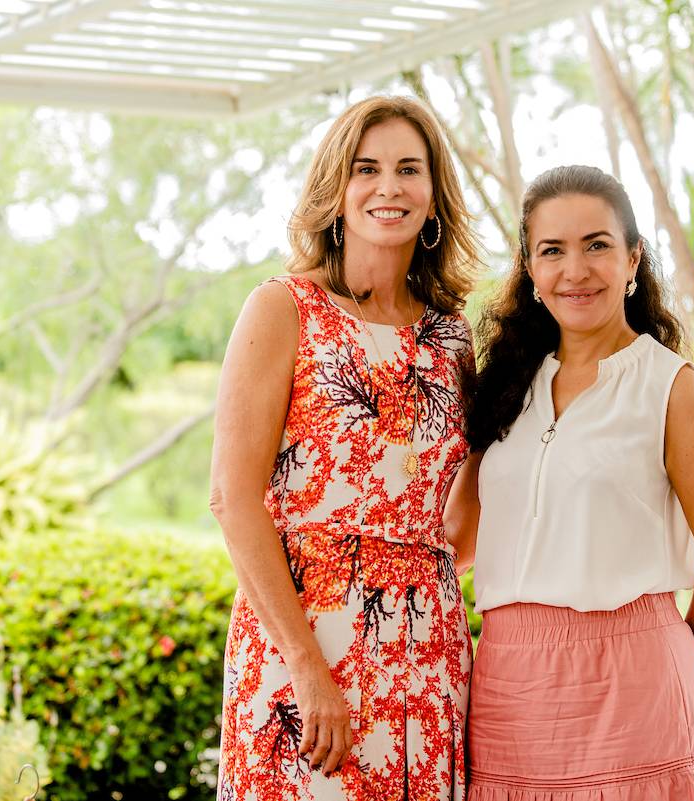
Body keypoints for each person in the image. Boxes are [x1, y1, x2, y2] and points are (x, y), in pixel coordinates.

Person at [446, 165, 694, 800]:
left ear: (632, 258)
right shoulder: (506, 387)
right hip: (509, 691)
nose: (575, 270)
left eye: (597, 245)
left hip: (636, 690)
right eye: (552, 250)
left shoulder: (669, 385)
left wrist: (672, 678)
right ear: (530, 270)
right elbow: (463, 541)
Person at [210, 96, 481, 801]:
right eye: (367, 168)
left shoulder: (453, 337)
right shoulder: (283, 309)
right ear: (336, 189)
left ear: (433, 195)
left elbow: (461, 517)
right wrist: (305, 664)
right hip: (307, 645)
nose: (388, 187)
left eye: (407, 169)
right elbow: (232, 499)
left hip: (430, 656)